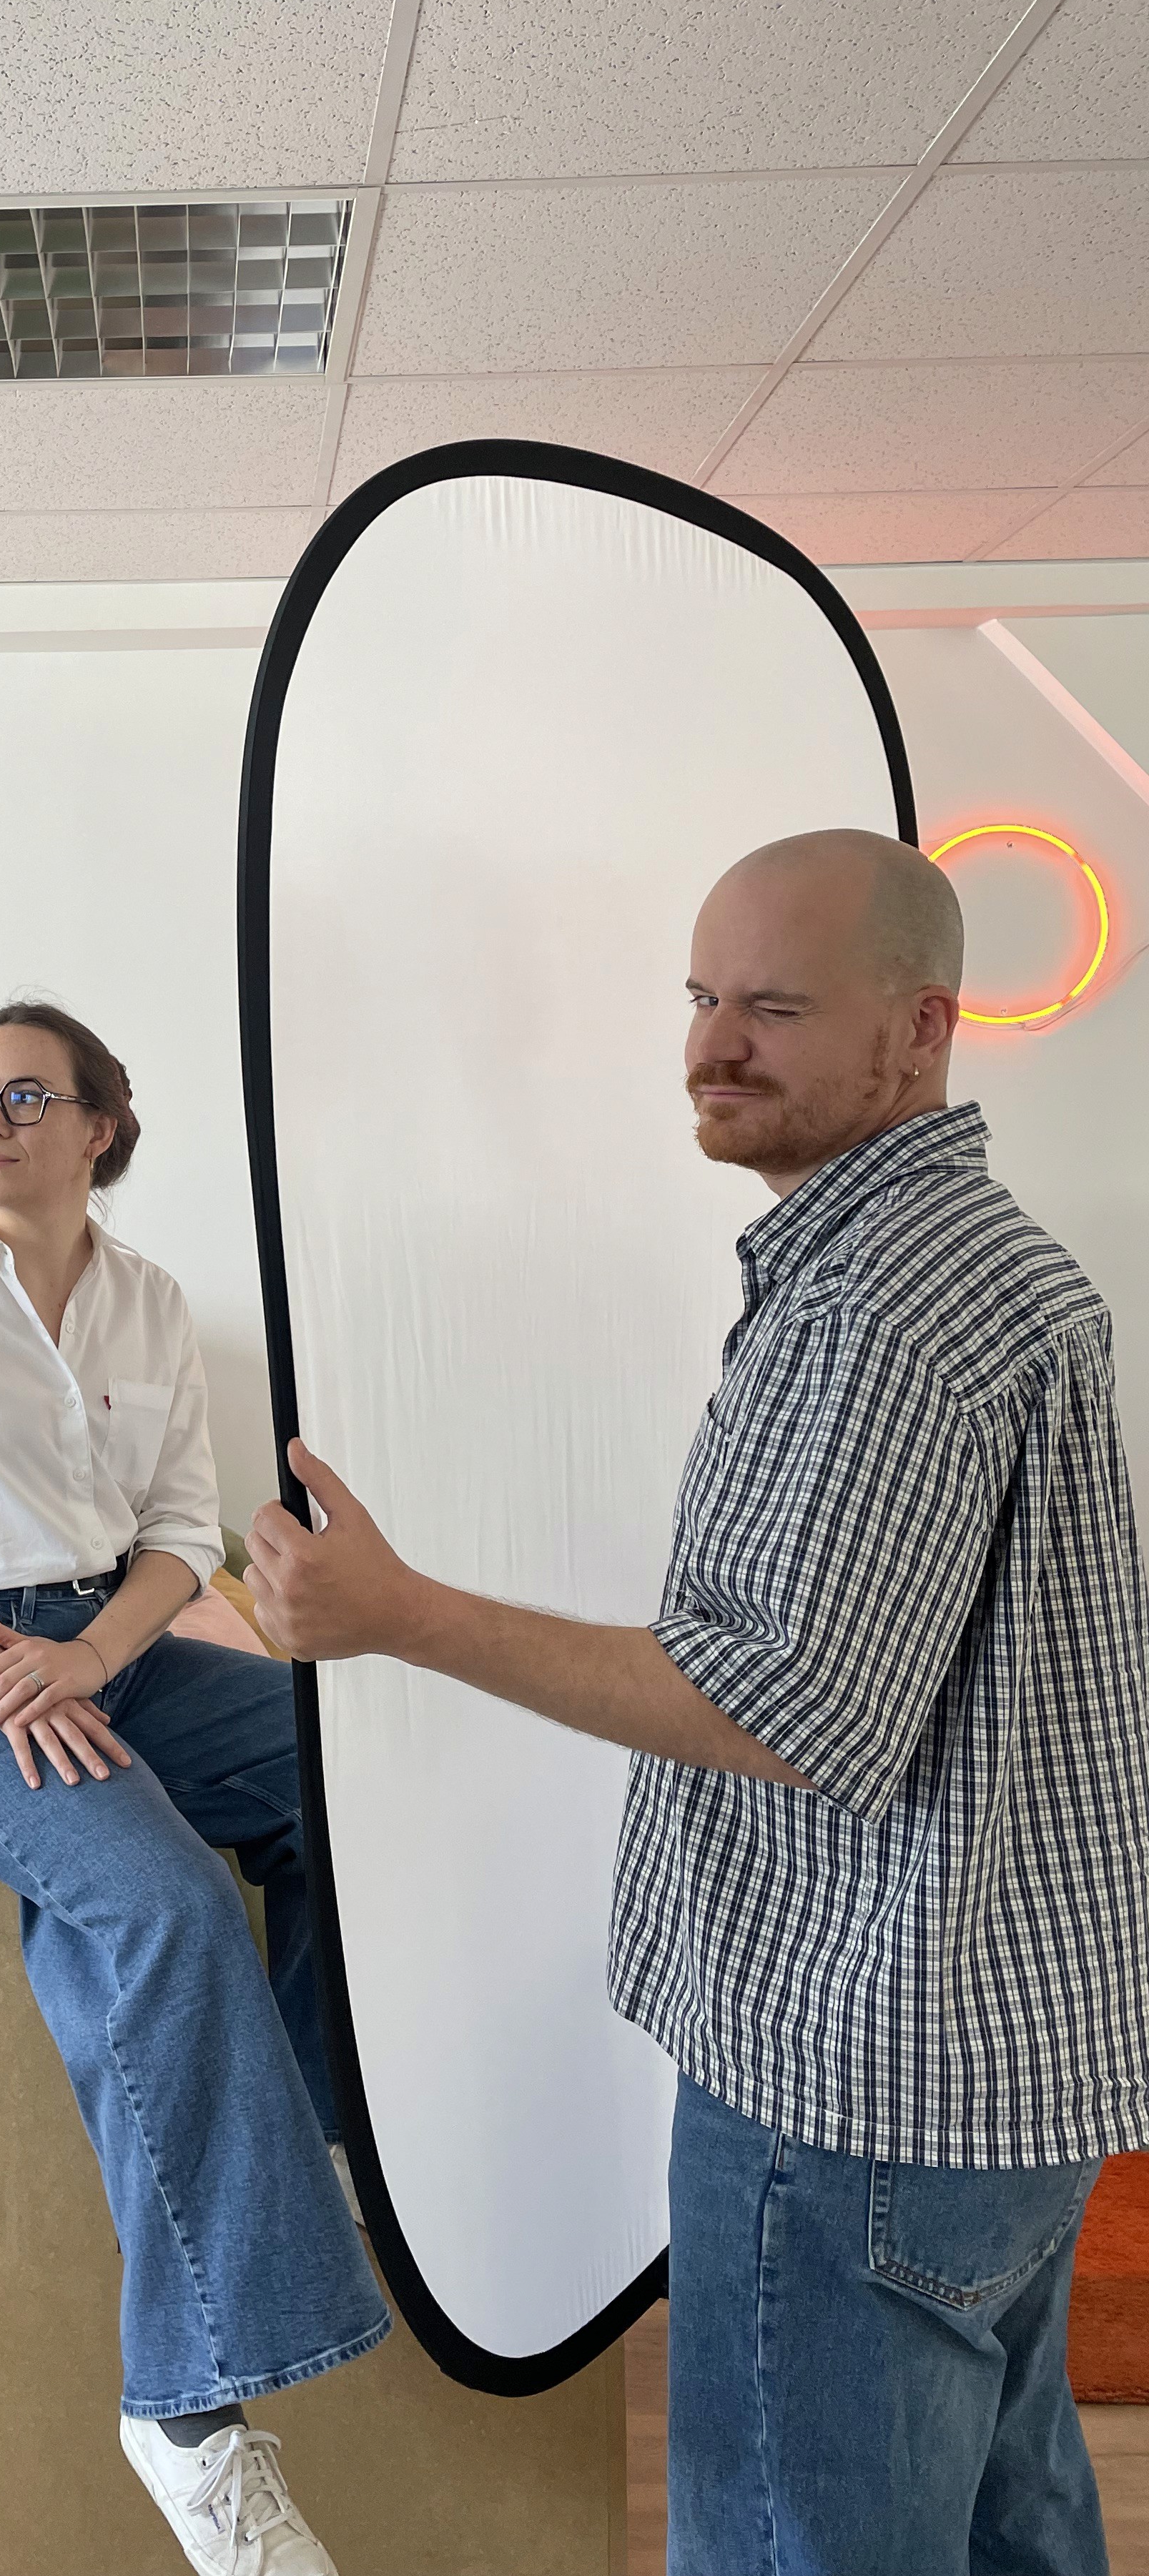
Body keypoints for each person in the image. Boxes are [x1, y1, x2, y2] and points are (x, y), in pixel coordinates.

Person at [247, 829, 1148, 2576]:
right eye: (701, 995)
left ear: (920, 1029)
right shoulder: (983, 1262)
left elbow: (788, 1709)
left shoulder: (882, 1309)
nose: (712, 1045)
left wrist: (400, 1614)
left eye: (776, 1008)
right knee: (1007, 2527)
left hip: (855, 2083)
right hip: (987, 2067)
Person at [0, 1001, 388, 2576]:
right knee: (163, 1899)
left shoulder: (149, 1302)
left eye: (22, 1095)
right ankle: (185, 2422)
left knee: (341, 1778)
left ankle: (307, 2137)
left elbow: (182, 1527)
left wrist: (98, 1655)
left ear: (98, 1127)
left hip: (109, 1649)